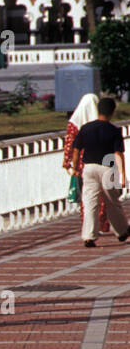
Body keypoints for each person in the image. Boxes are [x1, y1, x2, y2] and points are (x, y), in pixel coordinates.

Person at [71, 96, 129, 247]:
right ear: (112, 112)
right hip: (107, 168)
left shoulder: (86, 128)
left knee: (90, 202)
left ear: (98, 111)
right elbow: (118, 154)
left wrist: (75, 167)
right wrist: (122, 175)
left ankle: (89, 236)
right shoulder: (114, 130)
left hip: (89, 167)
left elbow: (76, 148)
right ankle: (122, 231)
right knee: (112, 201)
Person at [63, 93, 109, 235]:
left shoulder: (75, 123)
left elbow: (69, 143)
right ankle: (102, 224)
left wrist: (68, 163)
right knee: (102, 195)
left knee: (88, 196)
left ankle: (88, 226)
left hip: (83, 165)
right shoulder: (101, 123)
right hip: (101, 162)